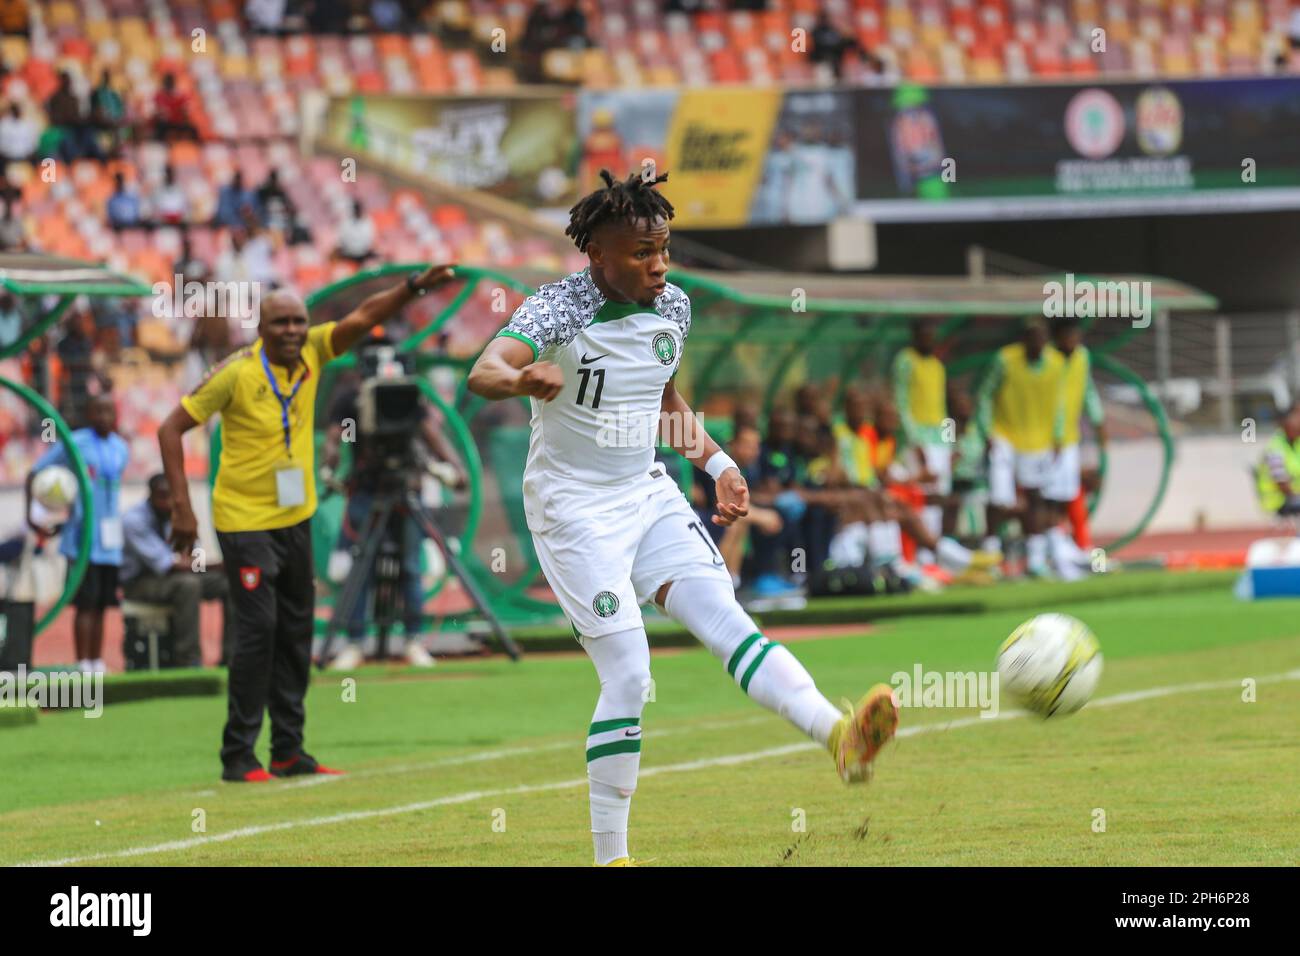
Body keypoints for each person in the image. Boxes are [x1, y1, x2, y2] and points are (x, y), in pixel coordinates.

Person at [466, 168, 899, 866]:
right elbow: (483, 369)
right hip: (574, 510)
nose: (659, 263)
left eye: (663, 246)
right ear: (598, 255)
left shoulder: (675, 309)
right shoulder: (557, 310)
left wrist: (721, 465)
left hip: (646, 491)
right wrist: (520, 378)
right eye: (641, 252)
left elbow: (663, 402)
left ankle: (838, 736)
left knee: (730, 622)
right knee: (630, 675)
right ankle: (612, 858)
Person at [156, 264, 457, 783]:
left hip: (294, 517)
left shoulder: (316, 351)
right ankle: (238, 756)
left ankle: (289, 751)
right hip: (243, 520)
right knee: (259, 631)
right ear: (261, 330)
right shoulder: (236, 373)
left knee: (296, 631)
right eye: (281, 324)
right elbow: (170, 428)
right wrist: (184, 510)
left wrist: (412, 288)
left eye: (299, 321)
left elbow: (364, 316)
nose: (293, 331)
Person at [320, 361, 467, 670]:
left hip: (406, 488)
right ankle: (354, 643)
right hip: (365, 491)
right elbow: (334, 438)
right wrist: (329, 464)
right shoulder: (351, 399)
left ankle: (414, 641)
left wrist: (456, 468)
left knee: (411, 567)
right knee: (360, 567)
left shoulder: (411, 394)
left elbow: (431, 434)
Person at [26, 394, 128, 674]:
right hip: (82, 540)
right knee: (85, 604)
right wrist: (32, 516)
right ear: (89, 413)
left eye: (109, 411)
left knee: (102, 605)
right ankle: (82, 662)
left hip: (110, 541)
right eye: (98, 411)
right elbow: (35, 472)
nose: (103, 417)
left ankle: (97, 661)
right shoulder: (75, 443)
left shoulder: (121, 447)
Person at [976, 316, 1066, 577]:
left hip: (1038, 439)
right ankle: (991, 557)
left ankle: (1035, 560)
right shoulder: (1004, 360)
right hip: (1004, 434)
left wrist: (1058, 436)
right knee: (998, 498)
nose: (1037, 343)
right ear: (1024, 339)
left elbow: (1059, 403)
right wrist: (987, 431)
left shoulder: (1056, 364)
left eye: (1042, 337)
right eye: (1032, 337)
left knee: (1037, 497)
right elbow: (984, 395)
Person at [121, 473, 234, 668]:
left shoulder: (180, 515)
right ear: (151, 495)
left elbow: (194, 555)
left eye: (171, 496)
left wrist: (205, 564)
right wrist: (213, 565)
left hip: (178, 576)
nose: (167, 502)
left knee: (228, 583)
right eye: (162, 496)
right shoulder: (134, 520)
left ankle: (232, 658)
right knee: (188, 585)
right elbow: (167, 564)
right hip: (140, 582)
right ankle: (189, 661)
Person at [1045, 318, 1106, 580]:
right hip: (1042, 440)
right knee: (1049, 497)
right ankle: (1055, 553)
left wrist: (1098, 420)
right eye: (1068, 335)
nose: (1073, 341)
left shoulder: (1082, 357)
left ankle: (1078, 549)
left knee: (1070, 493)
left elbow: (1087, 390)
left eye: (1076, 335)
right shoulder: (1047, 361)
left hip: (1069, 438)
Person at [892, 318, 949, 559]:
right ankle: (918, 555)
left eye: (932, 335)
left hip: (939, 439)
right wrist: (915, 442)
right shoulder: (905, 360)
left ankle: (933, 553)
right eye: (924, 335)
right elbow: (901, 401)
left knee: (937, 495)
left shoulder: (937, 365)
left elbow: (942, 407)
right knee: (919, 493)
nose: (929, 340)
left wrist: (949, 441)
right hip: (918, 439)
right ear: (915, 336)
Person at [1257, 399, 1300, 517]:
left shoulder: (1297, 444)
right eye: (1298, 416)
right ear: (1287, 422)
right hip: (1279, 500)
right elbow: (1282, 484)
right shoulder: (1275, 448)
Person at [334, 199, 374, 264]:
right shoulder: (345, 223)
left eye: (358, 209)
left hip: (364, 253)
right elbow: (342, 240)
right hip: (349, 254)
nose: (357, 211)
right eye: (355, 209)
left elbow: (370, 239)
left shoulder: (367, 222)